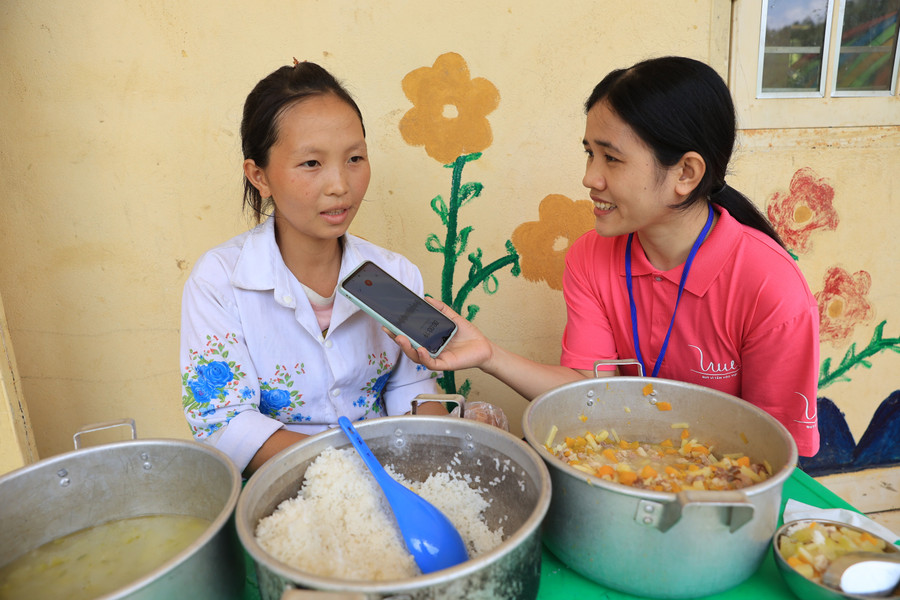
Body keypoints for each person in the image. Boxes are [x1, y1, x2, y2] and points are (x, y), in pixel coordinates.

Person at [394, 56, 820, 457]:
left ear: (686, 174)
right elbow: (589, 392)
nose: (589, 178)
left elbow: (774, 451)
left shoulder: (771, 287)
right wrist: (489, 355)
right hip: (618, 474)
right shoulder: (590, 257)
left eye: (611, 158)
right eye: (589, 153)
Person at [180, 60, 449, 477]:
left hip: (391, 475)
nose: (340, 184)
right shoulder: (220, 281)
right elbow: (224, 422)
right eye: (311, 164)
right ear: (259, 175)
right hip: (280, 485)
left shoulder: (392, 275)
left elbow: (412, 388)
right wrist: (353, 468)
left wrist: (431, 456)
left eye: (355, 158)